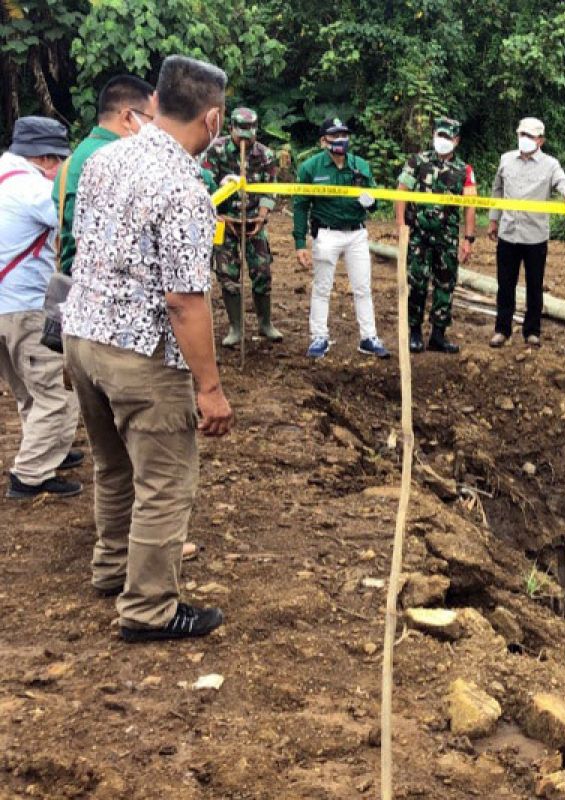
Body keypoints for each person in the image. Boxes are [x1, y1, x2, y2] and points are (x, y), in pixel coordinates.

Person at [62, 54, 233, 642]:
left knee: (114, 467)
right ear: (212, 120)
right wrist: (209, 389)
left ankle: (112, 569)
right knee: (167, 483)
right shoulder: (186, 189)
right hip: (139, 355)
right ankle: (149, 608)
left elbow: (83, 244)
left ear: (155, 102)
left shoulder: (104, 160)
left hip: (83, 340)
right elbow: (185, 302)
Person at [0, 116, 82, 499]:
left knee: (28, 391)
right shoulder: (31, 188)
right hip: (25, 308)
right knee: (57, 394)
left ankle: (50, 450)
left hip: (5, 307)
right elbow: (66, 219)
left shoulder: (4, 175)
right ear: (47, 158)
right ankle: (30, 475)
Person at [293, 116, 389, 360]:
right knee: (322, 287)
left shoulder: (360, 166)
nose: (340, 140)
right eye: (334, 136)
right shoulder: (310, 168)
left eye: (343, 135)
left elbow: (376, 202)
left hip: (356, 233)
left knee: (363, 287)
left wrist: (370, 199)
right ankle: (319, 337)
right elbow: (301, 205)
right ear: (323, 141)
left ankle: (369, 337)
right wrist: (299, 243)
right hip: (326, 234)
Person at [486, 117, 565, 348]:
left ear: (541, 140)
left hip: (535, 237)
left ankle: (532, 331)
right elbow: (497, 190)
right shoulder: (506, 160)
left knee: (534, 286)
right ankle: (502, 330)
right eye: (522, 135)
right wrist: (493, 220)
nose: (525, 140)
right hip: (508, 233)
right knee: (505, 285)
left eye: (530, 136)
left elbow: (563, 182)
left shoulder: (550, 165)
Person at [54, 75, 156, 278]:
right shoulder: (121, 160)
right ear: (127, 117)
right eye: (151, 120)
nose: (154, 130)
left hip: (75, 281)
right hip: (106, 288)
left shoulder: (73, 159)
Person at [201, 107, 281, 347]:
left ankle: (265, 323)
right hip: (225, 221)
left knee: (262, 271)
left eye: (251, 131)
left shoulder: (265, 155)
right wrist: (218, 216)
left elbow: (271, 188)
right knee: (227, 274)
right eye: (241, 131)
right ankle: (236, 327)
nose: (246, 136)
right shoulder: (215, 152)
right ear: (231, 129)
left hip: (254, 221)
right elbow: (204, 186)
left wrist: (262, 216)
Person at [397, 117, 477, 354]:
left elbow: (470, 205)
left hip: (447, 238)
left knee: (445, 284)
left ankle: (438, 335)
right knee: (417, 283)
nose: (443, 141)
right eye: (439, 135)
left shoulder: (465, 170)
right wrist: (401, 225)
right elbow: (401, 192)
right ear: (433, 136)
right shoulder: (417, 162)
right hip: (418, 236)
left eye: (448, 137)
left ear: (457, 140)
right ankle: (414, 333)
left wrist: (468, 238)